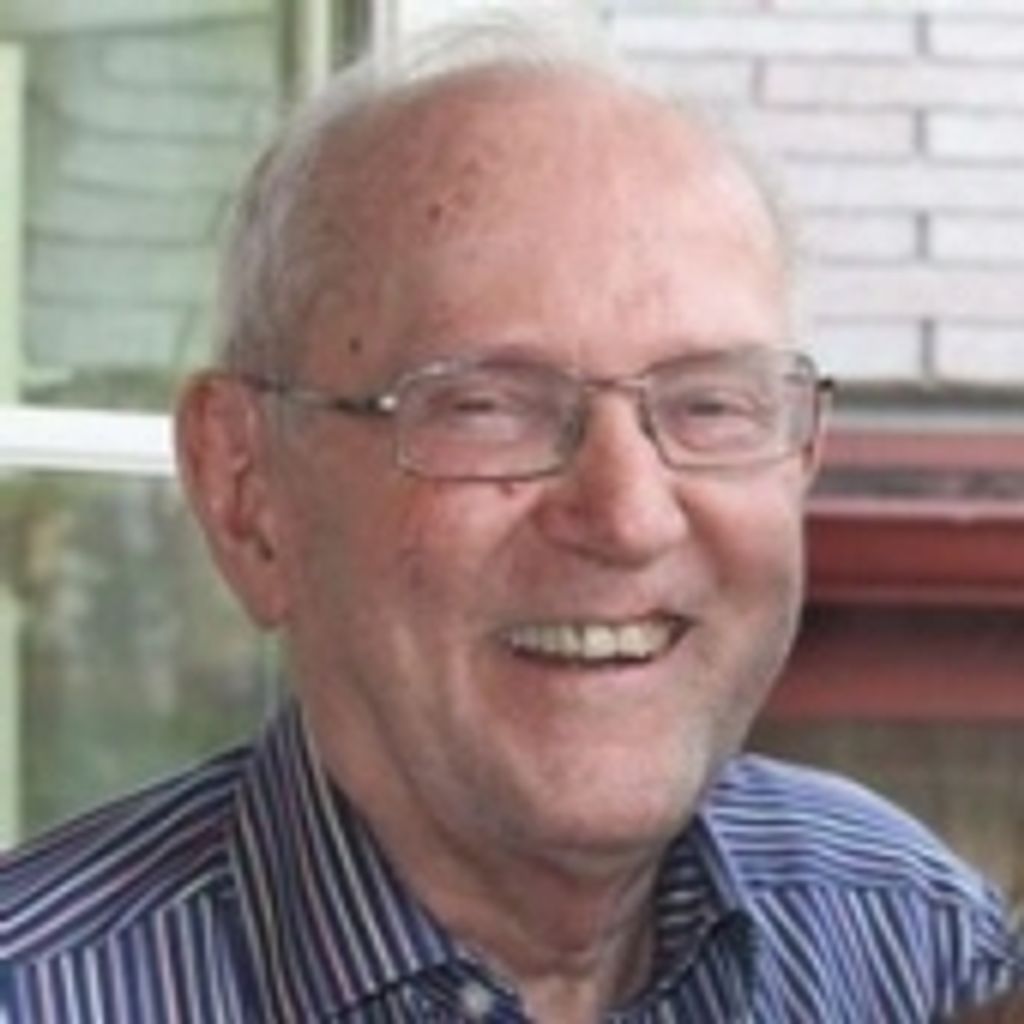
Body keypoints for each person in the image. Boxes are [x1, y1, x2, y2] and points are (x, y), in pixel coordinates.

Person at [3, 17, 1021, 1023]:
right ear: (247, 491)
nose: (627, 516)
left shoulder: (917, 947)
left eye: (710, 404)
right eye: (486, 406)